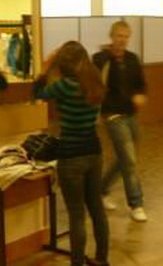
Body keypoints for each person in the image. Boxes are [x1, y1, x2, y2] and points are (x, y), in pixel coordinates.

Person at [33, 41, 109, 266]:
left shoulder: (64, 86)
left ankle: (76, 263)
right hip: (94, 153)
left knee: (76, 216)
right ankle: (102, 259)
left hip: (71, 157)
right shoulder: (94, 82)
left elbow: (37, 94)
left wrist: (45, 67)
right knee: (97, 209)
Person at [92, 20, 148, 222]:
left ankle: (101, 189)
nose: (122, 40)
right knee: (129, 160)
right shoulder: (101, 59)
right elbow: (94, 81)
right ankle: (136, 204)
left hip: (130, 115)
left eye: (125, 36)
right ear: (112, 36)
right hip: (113, 116)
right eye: (119, 36)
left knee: (125, 158)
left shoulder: (133, 59)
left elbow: (141, 84)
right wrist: (108, 55)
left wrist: (140, 95)